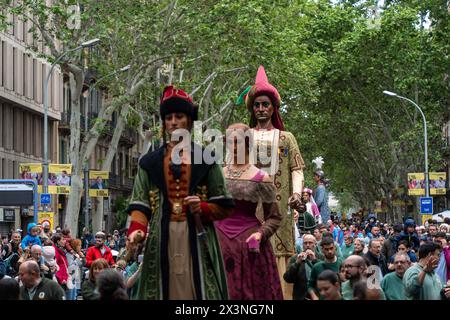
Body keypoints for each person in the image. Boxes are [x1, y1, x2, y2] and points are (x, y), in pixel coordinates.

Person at [126, 85, 234, 300]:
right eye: (168, 118)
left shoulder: (208, 158)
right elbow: (140, 204)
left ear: (189, 121)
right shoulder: (149, 162)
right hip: (160, 236)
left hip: (198, 235)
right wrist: (136, 231)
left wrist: (202, 207)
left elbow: (223, 206)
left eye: (179, 116)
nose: (173, 122)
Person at [241, 66, 306, 299]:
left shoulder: (287, 138)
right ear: (252, 108)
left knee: (281, 264)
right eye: (257, 104)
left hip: (279, 214)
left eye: (265, 104)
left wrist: (296, 195)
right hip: (248, 212)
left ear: (273, 107)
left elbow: (297, 168)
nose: (260, 109)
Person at [215, 123, 282, 300]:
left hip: (248, 245)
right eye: (229, 142)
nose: (232, 146)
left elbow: (274, 218)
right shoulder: (217, 174)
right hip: (218, 241)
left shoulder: (262, 178)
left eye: (237, 141)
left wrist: (261, 234)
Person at [283, 234, 318, 300]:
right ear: (302, 245)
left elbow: (324, 276)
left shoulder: (320, 257)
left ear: (315, 244)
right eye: (305, 243)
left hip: (317, 296)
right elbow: (287, 278)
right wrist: (296, 263)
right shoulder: (296, 258)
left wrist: (315, 260)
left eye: (310, 243)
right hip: (300, 296)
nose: (307, 245)